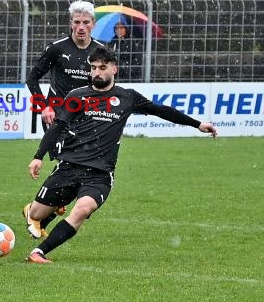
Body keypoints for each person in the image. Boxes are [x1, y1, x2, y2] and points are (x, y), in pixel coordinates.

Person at [24, 47, 217, 264]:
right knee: (36, 215)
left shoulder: (127, 97)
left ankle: (38, 252)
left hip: (100, 173)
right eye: (93, 68)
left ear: (114, 69)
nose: (96, 72)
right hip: (69, 166)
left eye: (102, 68)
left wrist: (198, 124)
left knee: (82, 210)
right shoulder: (77, 96)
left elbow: (161, 110)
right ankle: (37, 209)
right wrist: (39, 156)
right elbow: (58, 127)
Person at [24, 0, 108, 238]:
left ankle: (39, 212)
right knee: (71, 166)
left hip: (86, 121)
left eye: (86, 22)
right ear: (71, 23)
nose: (81, 27)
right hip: (58, 118)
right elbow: (32, 79)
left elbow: (103, 86)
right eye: (77, 22)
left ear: (93, 24)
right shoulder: (57, 48)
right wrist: (44, 107)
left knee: (77, 170)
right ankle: (41, 215)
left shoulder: (100, 52)